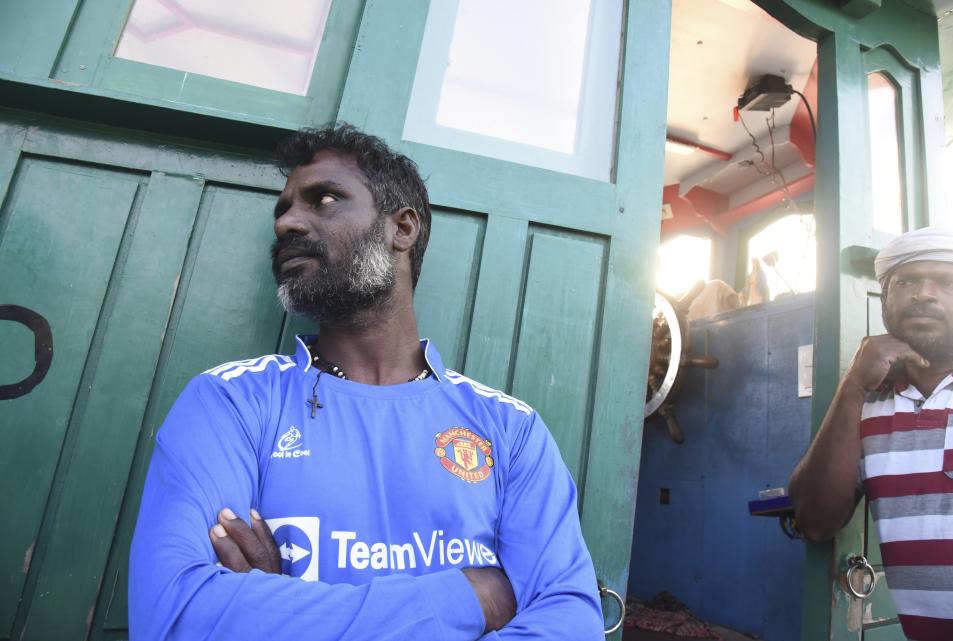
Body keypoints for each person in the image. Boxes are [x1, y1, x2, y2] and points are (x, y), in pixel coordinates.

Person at [128, 123, 604, 640]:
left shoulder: (510, 429)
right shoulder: (230, 402)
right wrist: (469, 597)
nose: (287, 222)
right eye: (282, 209)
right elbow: (176, 617)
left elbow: (570, 624)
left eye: (324, 199)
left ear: (402, 228)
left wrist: (279, 610)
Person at [789, 226, 953, 640]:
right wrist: (852, 387)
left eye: (948, 282)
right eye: (905, 282)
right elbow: (814, 521)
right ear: (884, 302)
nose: (923, 293)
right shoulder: (866, 405)